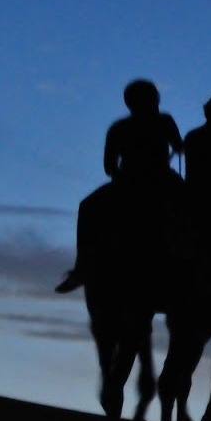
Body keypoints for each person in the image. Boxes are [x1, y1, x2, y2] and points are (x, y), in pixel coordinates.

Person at [55, 79, 185, 294]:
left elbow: (109, 166)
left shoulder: (119, 127)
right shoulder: (164, 121)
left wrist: (122, 176)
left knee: (88, 207)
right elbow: (178, 146)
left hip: (128, 182)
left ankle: (82, 268)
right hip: (160, 179)